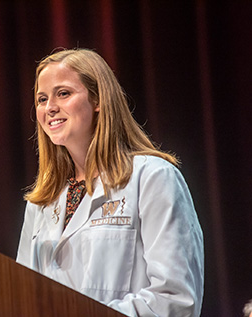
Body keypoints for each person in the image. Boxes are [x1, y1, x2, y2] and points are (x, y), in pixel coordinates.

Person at [16, 48, 204, 316]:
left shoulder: (152, 178)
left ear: (98, 100)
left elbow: (175, 299)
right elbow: (21, 298)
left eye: (63, 93)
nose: (50, 108)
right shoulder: (42, 202)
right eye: (42, 99)